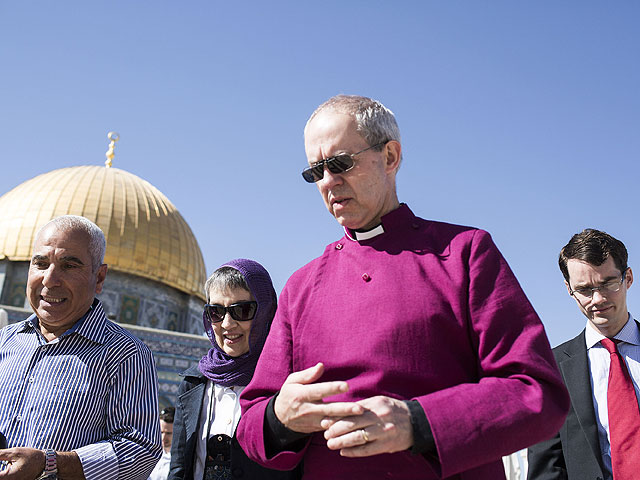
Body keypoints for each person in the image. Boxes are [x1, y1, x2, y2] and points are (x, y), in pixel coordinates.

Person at [236, 94, 570, 479]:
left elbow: (536, 391)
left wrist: (418, 423)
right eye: (316, 172)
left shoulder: (465, 253)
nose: (329, 182)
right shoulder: (301, 286)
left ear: (390, 157)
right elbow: (250, 425)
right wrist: (281, 417)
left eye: (340, 163)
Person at [0, 215, 161, 480]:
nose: (50, 280)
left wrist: (49, 463)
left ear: (99, 278)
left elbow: (141, 451)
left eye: (68, 266)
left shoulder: (124, 354)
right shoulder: (6, 340)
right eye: (41, 263)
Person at [168, 259, 301, 480]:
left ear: (267, 313)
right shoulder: (194, 383)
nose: (227, 324)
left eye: (242, 310)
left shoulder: (286, 383)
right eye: (216, 312)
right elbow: (179, 468)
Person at [528, 229, 640, 480]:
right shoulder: (551, 369)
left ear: (628, 277)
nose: (598, 299)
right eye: (585, 289)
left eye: (608, 283)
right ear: (569, 288)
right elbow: (546, 467)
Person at [149, 407, 175, 480]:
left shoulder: (183, 459)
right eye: (161, 432)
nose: (163, 438)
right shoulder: (149, 453)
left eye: (169, 433)